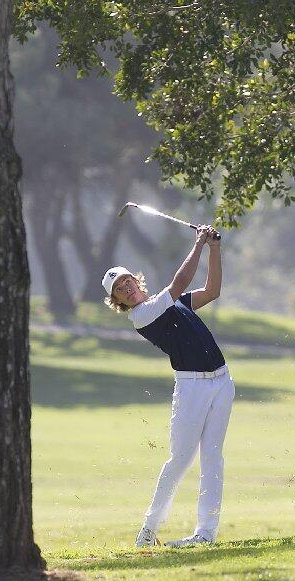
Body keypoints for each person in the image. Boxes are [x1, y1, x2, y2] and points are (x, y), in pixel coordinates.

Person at [102, 224, 234, 548]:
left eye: (127, 282)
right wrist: (200, 243)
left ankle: (205, 533)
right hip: (191, 389)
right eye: (120, 290)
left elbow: (212, 290)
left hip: (221, 380)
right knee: (180, 460)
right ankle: (148, 530)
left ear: (136, 279)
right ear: (118, 301)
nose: (127, 289)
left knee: (213, 457)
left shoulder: (175, 302)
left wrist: (214, 249)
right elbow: (179, 283)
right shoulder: (142, 315)